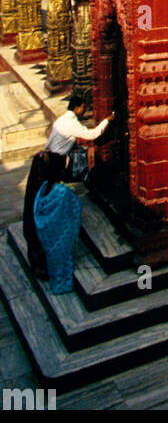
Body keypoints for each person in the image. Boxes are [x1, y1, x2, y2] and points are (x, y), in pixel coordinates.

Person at [22, 97, 112, 280]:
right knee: (39, 211)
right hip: (48, 167)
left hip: (45, 163)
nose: (83, 110)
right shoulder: (71, 123)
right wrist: (107, 121)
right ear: (78, 108)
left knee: (36, 206)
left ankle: (40, 260)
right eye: (83, 108)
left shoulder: (62, 120)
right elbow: (92, 134)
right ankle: (42, 262)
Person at [33, 164, 82, 293]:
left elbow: (37, 210)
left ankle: (56, 282)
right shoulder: (62, 191)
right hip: (61, 232)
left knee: (53, 260)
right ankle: (62, 286)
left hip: (48, 233)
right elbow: (76, 205)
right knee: (63, 260)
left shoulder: (43, 188)